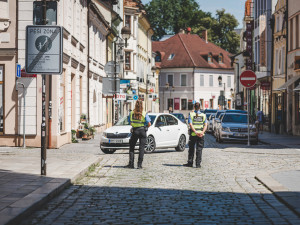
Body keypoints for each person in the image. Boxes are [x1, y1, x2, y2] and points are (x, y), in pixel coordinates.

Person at [126, 99, 151, 169]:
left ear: (135, 105)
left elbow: (130, 122)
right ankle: (139, 165)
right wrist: (145, 126)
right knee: (141, 148)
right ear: (142, 105)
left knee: (131, 147)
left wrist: (134, 126)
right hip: (142, 131)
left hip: (135, 131)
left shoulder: (131, 113)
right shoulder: (144, 113)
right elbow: (149, 123)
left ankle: (131, 164)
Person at [183, 102, 208, 168]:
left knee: (191, 149)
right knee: (199, 149)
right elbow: (205, 125)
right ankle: (198, 164)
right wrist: (202, 132)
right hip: (201, 135)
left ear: (194, 107)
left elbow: (190, 125)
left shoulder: (191, 114)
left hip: (193, 134)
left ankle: (190, 163)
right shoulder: (203, 115)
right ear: (200, 107)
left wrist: (195, 132)